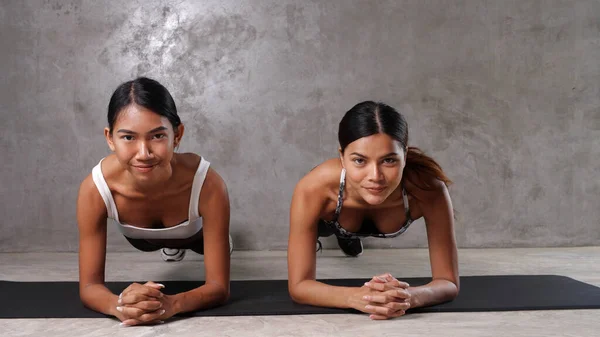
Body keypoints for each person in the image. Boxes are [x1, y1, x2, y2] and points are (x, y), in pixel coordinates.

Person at [77, 77, 232, 326]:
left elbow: (219, 287)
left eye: (157, 136)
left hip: (193, 235)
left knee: (203, 244)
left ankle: (207, 243)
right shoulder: (95, 188)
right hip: (142, 240)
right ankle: (168, 246)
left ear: (177, 134)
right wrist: (121, 306)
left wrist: (171, 304)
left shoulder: (207, 182)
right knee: (151, 243)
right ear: (110, 138)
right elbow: (89, 286)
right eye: (128, 138)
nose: (144, 153)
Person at [287, 101, 459, 320]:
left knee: (351, 224)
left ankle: (348, 235)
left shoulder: (428, 189)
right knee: (337, 226)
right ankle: (344, 234)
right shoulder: (313, 188)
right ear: (342, 157)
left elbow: (449, 282)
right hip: (331, 218)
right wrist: (357, 297)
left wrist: (406, 296)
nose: (375, 176)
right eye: (359, 160)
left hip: (356, 213)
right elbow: (299, 286)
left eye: (389, 160)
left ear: (404, 155)